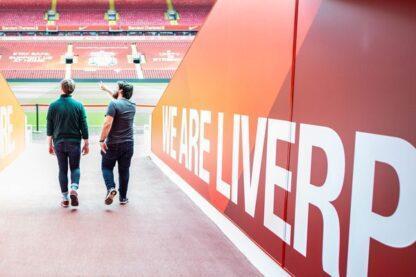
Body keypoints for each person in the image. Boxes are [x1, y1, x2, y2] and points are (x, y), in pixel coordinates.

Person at [47, 79, 89, 208]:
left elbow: (50, 128)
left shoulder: (53, 105)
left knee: (62, 170)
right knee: (75, 167)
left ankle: (65, 199)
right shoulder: (78, 105)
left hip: (59, 142)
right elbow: (84, 125)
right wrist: (86, 143)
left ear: (61, 88)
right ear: (73, 89)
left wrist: (49, 144)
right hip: (75, 142)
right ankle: (74, 188)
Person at [99, 81, 136, 205]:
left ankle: (111, 188)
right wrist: (106, 89)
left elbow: (107, 124)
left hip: (113, 144)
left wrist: (101, 140)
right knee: (124, 171)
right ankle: (123, 198)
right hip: (128, 144)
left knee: (106, 167)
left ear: (120, 91)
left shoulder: (113, 104)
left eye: (116, 88)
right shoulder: (132, 106)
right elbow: (118, 100)